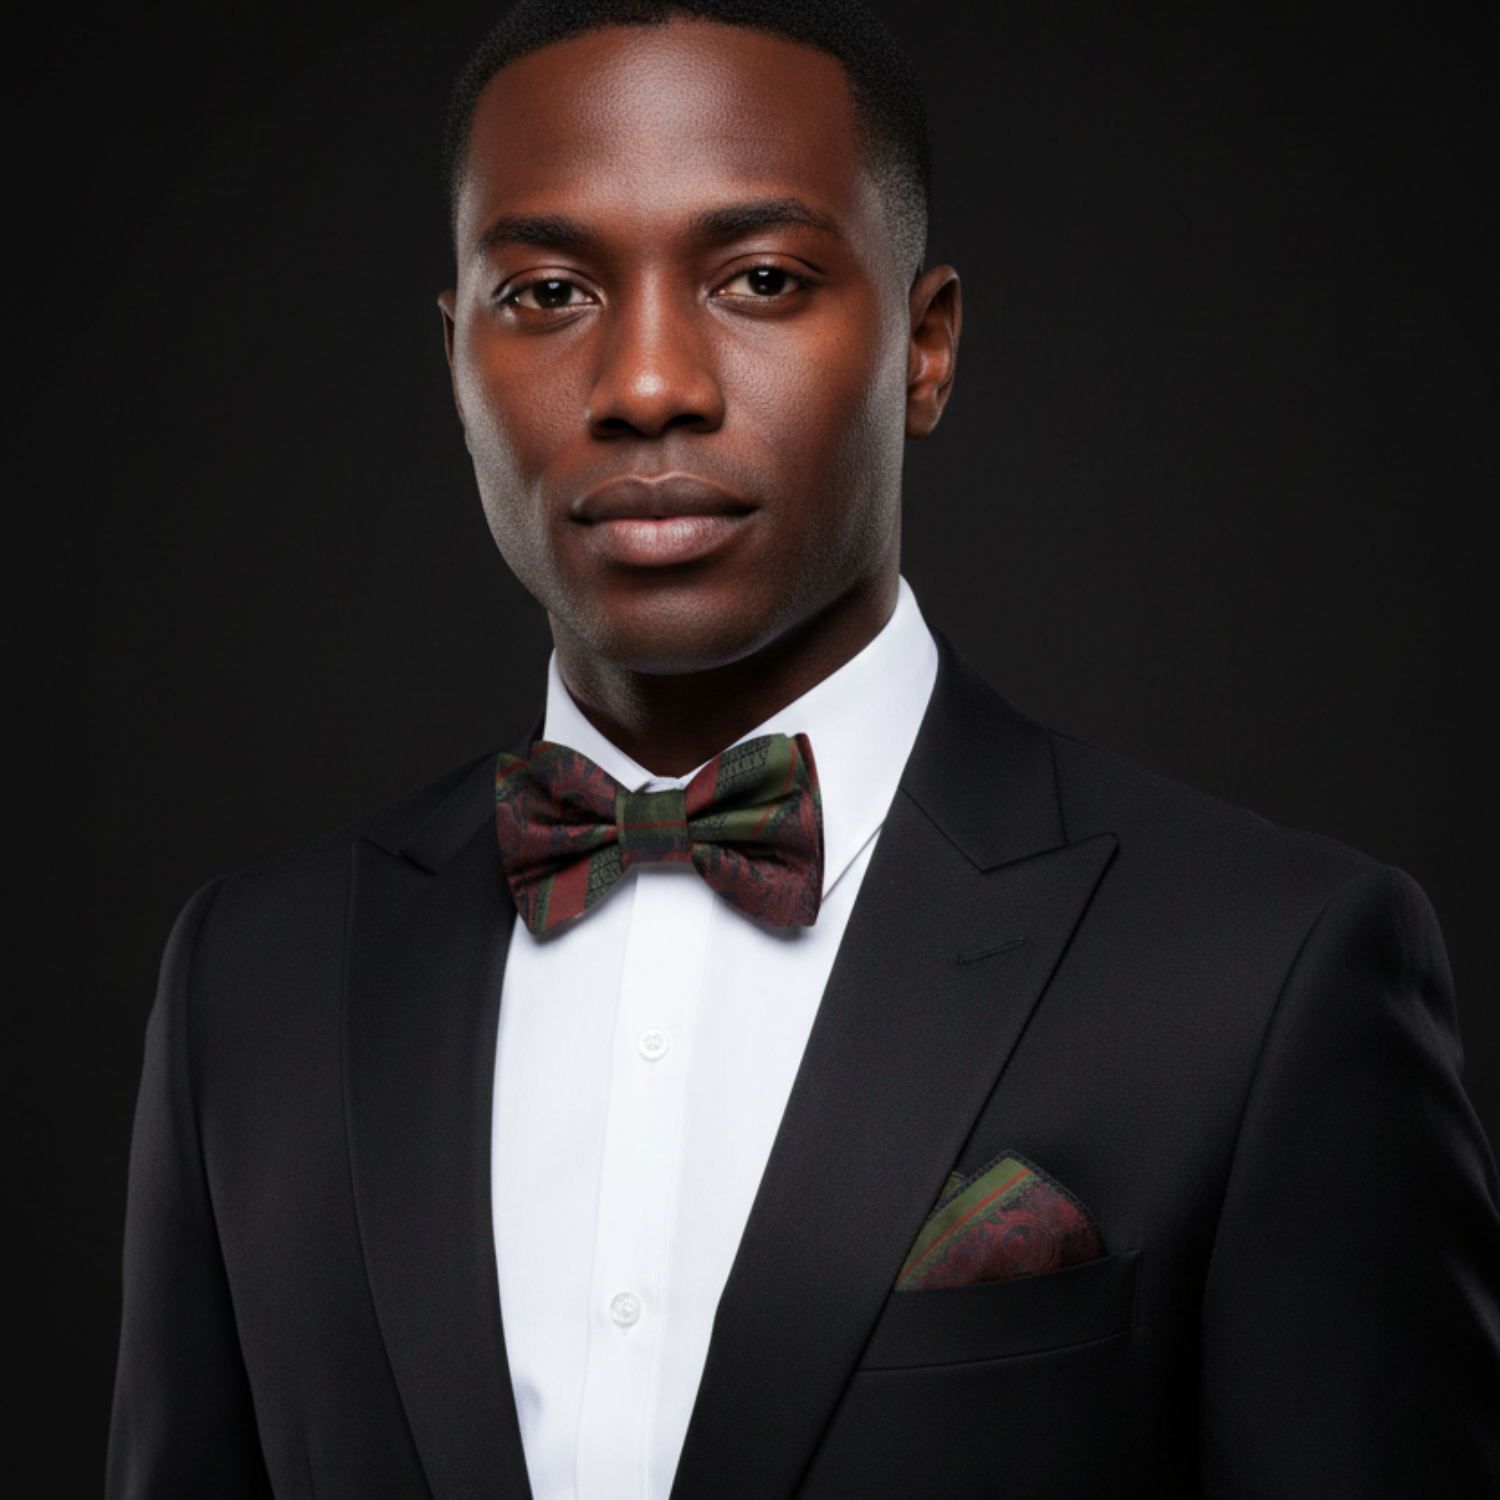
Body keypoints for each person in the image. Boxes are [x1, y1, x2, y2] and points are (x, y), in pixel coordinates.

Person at [107, 1, 1500, 1495]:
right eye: (551, 291)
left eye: (760, 278)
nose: (648, 384)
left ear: (925, 346)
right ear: (456, 362)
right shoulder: (247, 986)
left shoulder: (1268, 973)